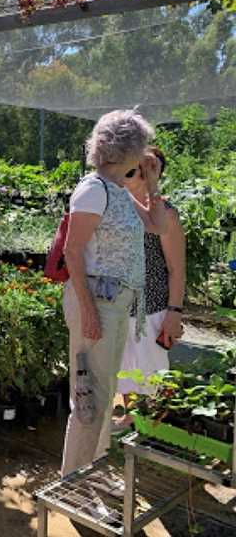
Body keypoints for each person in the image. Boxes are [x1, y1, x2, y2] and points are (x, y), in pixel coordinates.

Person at [61, 109, 167, 477]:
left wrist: (151, 182)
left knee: (103, 396)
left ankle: (88, 476)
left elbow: (157, 225)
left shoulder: (118, 191)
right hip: (97, 302)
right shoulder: (93, 189)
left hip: (114, 303)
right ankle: (72, 482)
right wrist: (89, 312)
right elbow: (72, 252)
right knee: (90, 398)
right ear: (130, 150)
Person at [118, 146, 186, 396]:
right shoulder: (116, 203)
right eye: (139, 164)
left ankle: (146, 424)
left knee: (150, 377)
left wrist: (174, 312)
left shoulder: (165, 214)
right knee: (121, 373)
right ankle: (125, 420)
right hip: (118, 304)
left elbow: (176, 268)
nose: (142, 171)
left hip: (151, 308)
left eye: (151, 167)